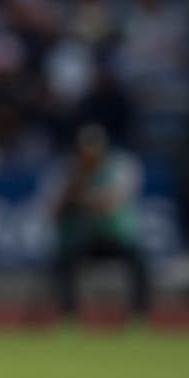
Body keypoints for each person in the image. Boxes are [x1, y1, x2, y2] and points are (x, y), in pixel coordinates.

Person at [46, 124, 151, 323]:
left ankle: (139, 316)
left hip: (115, 235)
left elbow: (111, 204)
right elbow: (54, 212)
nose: (90, 159)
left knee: (139, 263)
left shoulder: (123, 165)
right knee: (63, 261)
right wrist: (72, 187)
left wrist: (81, 197)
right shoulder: (68, 170)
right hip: (83, 237)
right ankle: (68, 316)